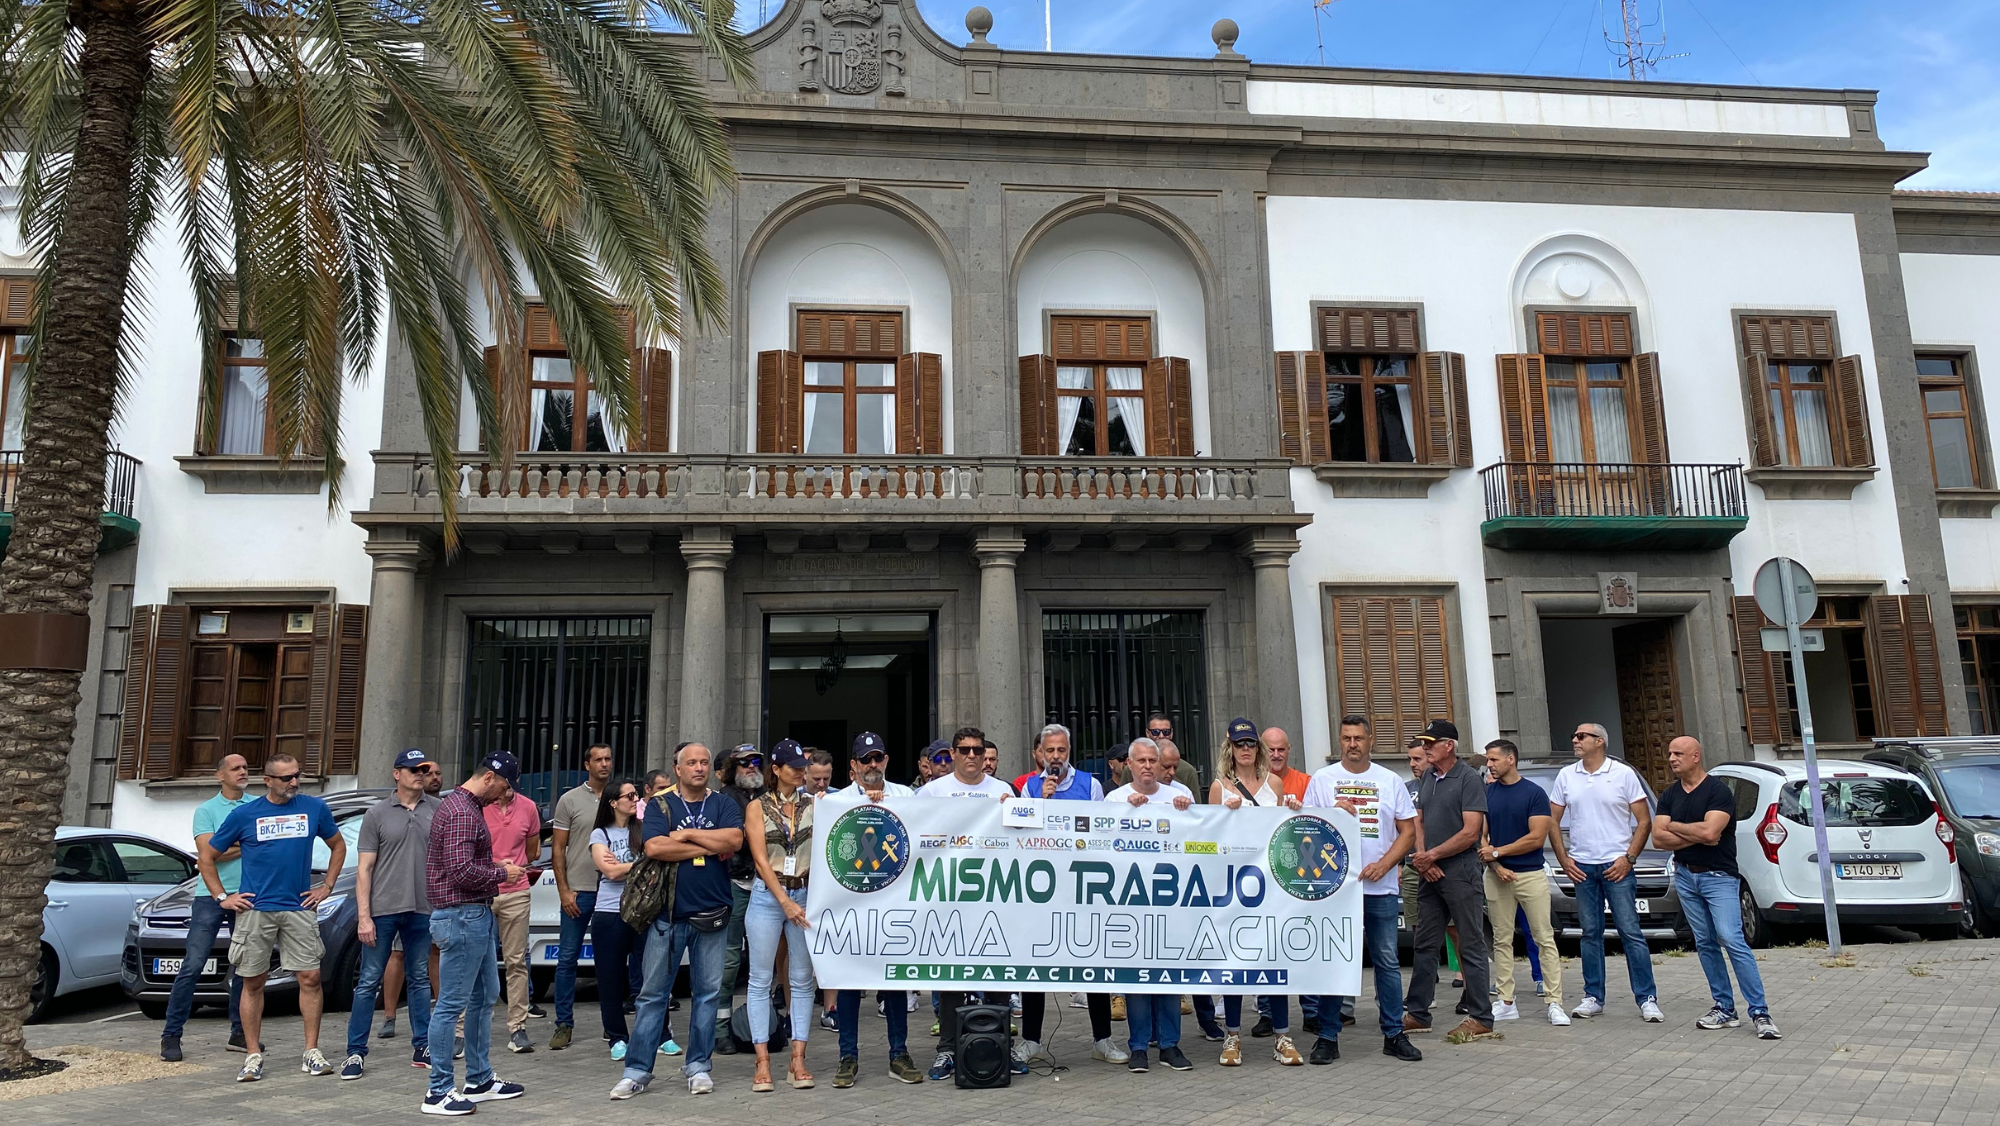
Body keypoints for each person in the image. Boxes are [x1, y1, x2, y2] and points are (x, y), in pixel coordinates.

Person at [197, 753, 345, 1082]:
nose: (294, 782)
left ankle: (311, 1051)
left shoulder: (314, 808)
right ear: (267, 781)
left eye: (297, 775)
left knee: (310, 978)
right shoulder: (245, 814)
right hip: (255, 909)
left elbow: (338, 845)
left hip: (298, 907)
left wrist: (327, 886)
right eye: (286, 778)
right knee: (252, 981)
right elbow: (206, 857)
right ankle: (252, 1055)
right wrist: (222, 897)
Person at [612, 742, 746, 1099]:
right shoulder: (661, 804)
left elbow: (735, 839)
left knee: (707, 995)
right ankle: (637, 1071)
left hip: (713, 912)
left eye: (704, 762)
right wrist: (711, 846)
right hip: (666, 915)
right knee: (652, 996)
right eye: (692, 763)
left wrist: (686, 836)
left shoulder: (723, 803)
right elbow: (655, 847)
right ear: (678, 769)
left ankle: (698, 1066)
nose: (699, 768)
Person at [1304, 716, 1423, 1065]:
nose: (1352, 744)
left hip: (1380, 887)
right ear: (1339, 741)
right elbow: (1307, 828)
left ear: (1370, 741)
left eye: (1358, 738)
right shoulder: (1322, 780)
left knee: (1387, 961)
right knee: (1335, 960)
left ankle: (1393, 1034)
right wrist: (1330, 812)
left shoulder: (1389, 781)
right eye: (1346, 738)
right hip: (1335, 890)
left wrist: (1385, 865)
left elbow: (1408, 832)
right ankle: (1328, 1036)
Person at [1653, 737, 1781, 1040]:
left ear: (1696, 756)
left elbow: (1712, 832)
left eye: (1678, 753)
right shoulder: (1669, 794)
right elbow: (1658, 839)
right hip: (1686, 876)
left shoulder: (1718, 791)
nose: (1671, 759)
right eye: (1670, 753)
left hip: (1718, 877)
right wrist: (1694, 833)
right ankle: (1724, 1008)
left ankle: (1760, 1012)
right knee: (1706, 943)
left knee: (1731, 939)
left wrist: (1676, 827)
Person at [1012, 723, 1124, 1069]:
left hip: (1081, 887)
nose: (1056, 756)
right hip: (1042, 890)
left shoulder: (1090, 785)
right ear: (1040, 754)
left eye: (1061, 750)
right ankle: (1031, 1040)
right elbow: (1021, 835)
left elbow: (1103, 832)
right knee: (1035, 964)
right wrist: (1043, 801)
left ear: (1069, 752)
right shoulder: (1030, 788)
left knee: (1093, 961)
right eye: (1050, 751)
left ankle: (1102, 1039)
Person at [421, 753, 528, 1114]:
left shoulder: (462, 807)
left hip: (471, 914)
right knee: (451, 1004)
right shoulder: (462, 812)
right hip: (461, 915)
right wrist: (502, 874)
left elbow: (461, 864)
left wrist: (493, 865)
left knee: (485, 996)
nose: (505, 795)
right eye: (504, 786)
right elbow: (461, 872)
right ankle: (438, 1091)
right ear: (489, 778)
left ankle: (479, 1079)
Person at [825, 732, 924, 1088]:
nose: (872, 764)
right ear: (853, 765)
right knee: (849, 981)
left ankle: (899, 1053)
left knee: (893, 980)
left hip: (893, 903)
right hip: (850, 904)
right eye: (865, 759)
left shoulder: (906, 796)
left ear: (886, 761)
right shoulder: (834, 801)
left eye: (877, 757)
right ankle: (847, 1056)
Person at [916, 727, 1015, 1080]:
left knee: (998, 973)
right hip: (948, 895)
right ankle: (947, 1049)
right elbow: (912, 830)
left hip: (993, 894)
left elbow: (1022, 837)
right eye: (964, 749)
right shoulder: (932, 791)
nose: (971, 755)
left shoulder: (1003, 790)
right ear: (953, 754)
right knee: (951, 975)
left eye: (977, 749)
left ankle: (1002, 1048)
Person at [1548, 723, 1661, 1023]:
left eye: (1581, 736)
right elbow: (1552, 820)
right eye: (1574, 735)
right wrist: (1564, 859)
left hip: (1616, 864)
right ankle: (1593, 996)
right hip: (1583, 866)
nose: (1575, 740)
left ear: (1600, 741)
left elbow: (1644, 820)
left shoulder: (1623, 773)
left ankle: (1647, 998)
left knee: (1630, 931)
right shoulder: (1567, 775)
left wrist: (1629, 858)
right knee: (1590, 933)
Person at [1207, 720, 1304, 1065]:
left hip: (1270, 883)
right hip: (1235, 886)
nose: (1245, 749)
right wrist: (1224, 815)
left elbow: (1283, 831)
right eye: (1240, 744)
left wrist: (1293, 809)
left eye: (1250, 743)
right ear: (1230, 748)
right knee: (1235, 961)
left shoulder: (1273, 783)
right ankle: (1232, 1036)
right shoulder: (1219, 786)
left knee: (1274, 960)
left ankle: (1282, 1035)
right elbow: (1210, 839)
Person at [342, 749, 440, 1079]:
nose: (420, 774)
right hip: (383, 909)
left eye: (424, 769)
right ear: (397, 773)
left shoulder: (437, 809)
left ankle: (423, 1045)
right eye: (413, 769)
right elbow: (364, 869)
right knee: (369, 981)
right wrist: (364, 917)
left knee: (419, 978)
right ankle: (355, 1053)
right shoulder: (377, 814)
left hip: (423, 909)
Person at [1106, 739, 1195, 1072]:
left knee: (1169, 975)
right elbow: (1103, 844)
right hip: (1132, 902)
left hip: (1170, 901)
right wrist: (1124, 813)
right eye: (1140, 760)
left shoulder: (1179, 795)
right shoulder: (1115, 800)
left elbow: (1199, 838)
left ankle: (1170, 1045)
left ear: (1160, 765)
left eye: (1152, 761)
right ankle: (1139, 1047)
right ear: (1128, 764)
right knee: (1137, 978)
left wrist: (1189, 813)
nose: (1147, 766)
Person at [1403, 721, 1495, 1040]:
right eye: (1424, 742)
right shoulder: (1429, 776)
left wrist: (1432, 855)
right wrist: (1422, 857)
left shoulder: (1468, 779)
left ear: (1449, 746)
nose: (1426, 747)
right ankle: (1418, 1013)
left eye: (1431, 742)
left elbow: (1471, 832)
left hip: (1460, 869)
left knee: (1470, 942)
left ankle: (1481, 1016)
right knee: (1424, 943)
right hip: (1430, 870)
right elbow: (1419, 821)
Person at [161, 753, 250, 1062]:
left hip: (248, 895)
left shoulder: (256, 806)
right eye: (235, 768)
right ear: (220, 775)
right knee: (193, 964)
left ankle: (240, 1033)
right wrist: (242, 844)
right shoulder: (206, 810)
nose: (242, 772)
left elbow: (233, 848)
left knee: (245, 966)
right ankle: (171, 1035)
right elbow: (207, 855)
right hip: (209, 895)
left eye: (245, 768)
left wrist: (223, 847)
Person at [741, 740, 819, 1092]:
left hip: (804, 891)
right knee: (760, 978)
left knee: (802, 978)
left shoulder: (814, 803)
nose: (801, 771)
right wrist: (784, 901)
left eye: (803, 766)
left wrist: (875, 796)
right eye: (794, 767)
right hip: (768, 895)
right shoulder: (757, 807)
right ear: (776, 769)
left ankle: (798, 1058)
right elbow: (760, 859)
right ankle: (762, 1061)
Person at [1477, 739, 1567, 1027]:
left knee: (1544, 938)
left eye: (1493, 759)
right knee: (1501, 939)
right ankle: (1506, 1001)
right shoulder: (1487, 793)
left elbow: (1536, 837)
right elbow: (1481, 836)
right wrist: (1496, 865)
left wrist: (1498, 853)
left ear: (1511, 759)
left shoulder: (1534, 793)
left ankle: (1554, 1002)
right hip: (1496, 876)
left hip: (1530, 875)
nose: (1489, 765)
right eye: (1488, 760)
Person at [549, 743, 615, 1051]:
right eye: (598, 759)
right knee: (567, 959)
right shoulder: (570, 800)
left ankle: (612, 1026)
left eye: (608, 759)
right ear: (587, 764)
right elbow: (557, 848)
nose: (604, 764)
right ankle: (563, 1024)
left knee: (610, 960)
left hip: (612, 890)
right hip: (579, 890)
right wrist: (564, 890)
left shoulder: (620, 797)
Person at [589, 777, 653, 1061]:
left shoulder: (644, 829)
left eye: (636, 795)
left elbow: (656, 863)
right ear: (613, 802)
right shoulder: (600, 834)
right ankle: (616, 1037)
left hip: (642, 911)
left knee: (650, 976)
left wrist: (626, 865)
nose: (635, 799)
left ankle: (659, 1034)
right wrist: (641, 864)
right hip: (609, 912)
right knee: (610, 979)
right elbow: (610, 872)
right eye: (629, 796)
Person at [712, 743, 767, 1055]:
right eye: (745, 763)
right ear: (733, 769)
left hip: (765, 883)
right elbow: (731, 840)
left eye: (756, 761)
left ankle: (761, 1027)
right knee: (730, 959)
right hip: (734, 882)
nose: (751, 767)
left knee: (764, 958)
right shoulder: (723, 799)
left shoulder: (767, 797)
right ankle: (720, 1029)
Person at [482, 767, 541, 1055]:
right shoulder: (479, 806)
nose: (508, 790)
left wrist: (513, 868)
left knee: (516, 961)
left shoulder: (528, 807)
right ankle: (461, 1030)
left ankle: (518, 1028)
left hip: (516, 891)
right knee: (474, 962)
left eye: (512, 784)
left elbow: (533, 852)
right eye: (505, 783)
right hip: (482, 891)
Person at [1262, 727, 1311, 805]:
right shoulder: (1253, 783)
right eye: (1271, 750)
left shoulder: (1305, 782)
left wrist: (1299, 808)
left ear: (1289, 749)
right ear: (1261, 751)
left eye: (1281, 750)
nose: (1276, 755)